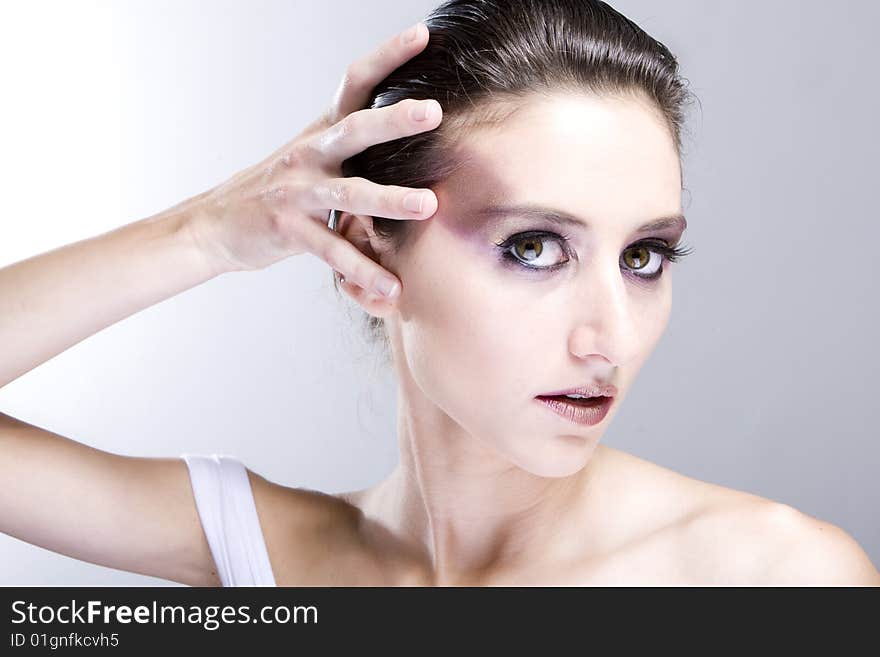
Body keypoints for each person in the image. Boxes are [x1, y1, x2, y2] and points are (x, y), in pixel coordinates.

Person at [1, 0, 878, 587]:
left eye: (645, 256)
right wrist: (203, 231)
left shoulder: (769, 575)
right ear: (363, 251)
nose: (609, 336)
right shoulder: (262, 553)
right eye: (535, 247)